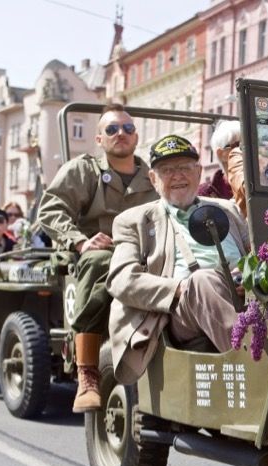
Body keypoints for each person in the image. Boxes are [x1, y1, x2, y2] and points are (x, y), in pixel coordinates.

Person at [36, 103, 158, 412]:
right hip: (97, 253)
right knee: (100, 263)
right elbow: (50, 210)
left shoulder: (153, 177)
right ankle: (87, 374)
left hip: (146, 254)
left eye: (128, 129)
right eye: (112, 129)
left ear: (136, 136)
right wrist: (79, 241)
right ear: (100, 139)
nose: (121, 134)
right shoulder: (84, 170)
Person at [106, 134, 247, 385]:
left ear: (199, 172)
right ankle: (256, 368)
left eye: (184, 168)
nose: (177, 176)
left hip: (242, 293)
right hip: (181, 311)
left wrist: (249, 275)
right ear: (153, 179)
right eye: (167, 170)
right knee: (201, 281)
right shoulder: (134, 221)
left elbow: (258, 254)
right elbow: (121, 279)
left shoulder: (228, 209)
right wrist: (179, 288)